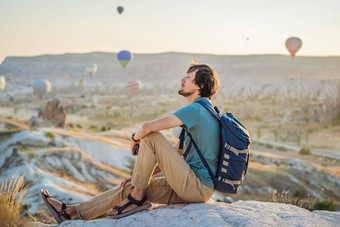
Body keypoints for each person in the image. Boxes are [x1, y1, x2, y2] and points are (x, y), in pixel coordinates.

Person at [40, 64, 220, 223]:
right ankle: (70, 212)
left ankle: (136, 198)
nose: (182, 79)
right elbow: (177, 152)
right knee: (131, 186)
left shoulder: (196, 109)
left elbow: (147, 127)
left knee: (151, 136)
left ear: (201, 85)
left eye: (188, 77)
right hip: (191, 187)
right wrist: (140, 177)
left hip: (196, 187)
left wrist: (134, 139)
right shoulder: (205, 112)